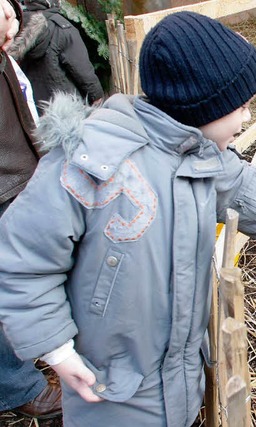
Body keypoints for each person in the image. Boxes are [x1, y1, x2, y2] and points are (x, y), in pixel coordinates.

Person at [0, 11, 256, 427]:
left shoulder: (202, 156)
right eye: (242, 107)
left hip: (182, 370)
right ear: (201, 105)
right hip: (110, 387)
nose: (248, 118)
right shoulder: (90, 165)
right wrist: (57, 351)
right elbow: (21, 262)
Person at [0, 0, 62, 419]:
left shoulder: (6, 57)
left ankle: (29, 354)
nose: (9, 18)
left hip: (17, 177)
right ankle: (17, 387)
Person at [6, 0, 103, 114]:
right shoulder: (61, 28)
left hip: (31, 112)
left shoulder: (12, 30)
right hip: (66, 112)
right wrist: (97, 96)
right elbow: (83, 71)